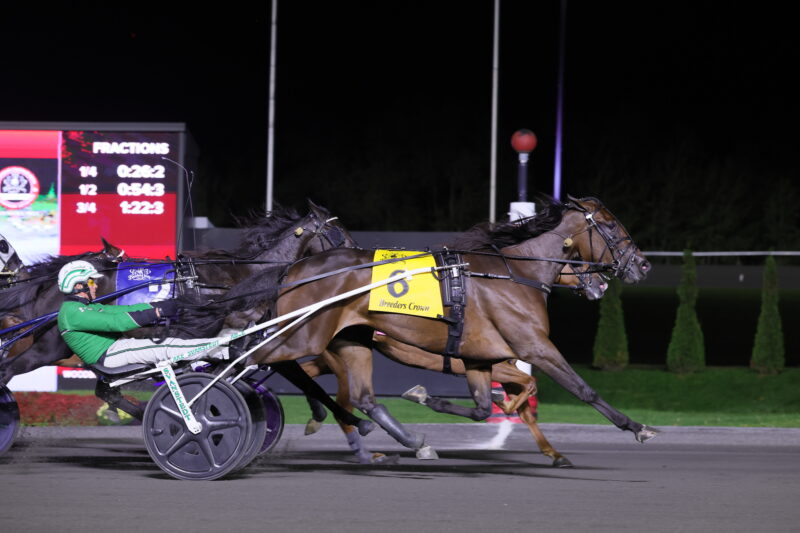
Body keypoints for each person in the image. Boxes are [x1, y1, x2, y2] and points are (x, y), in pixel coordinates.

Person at [57, 260, 237, 369]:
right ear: (78, 285)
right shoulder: (72, 312)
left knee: (169, 346)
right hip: (109, 356)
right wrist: (158, 312)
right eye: (91, 281)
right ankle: (224, 350)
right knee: (167, 347)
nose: (95, 285)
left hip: (117, 349)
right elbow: (118, 323)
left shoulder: (89, 307)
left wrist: (163, 304)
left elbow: (123, 310)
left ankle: (230, 339)